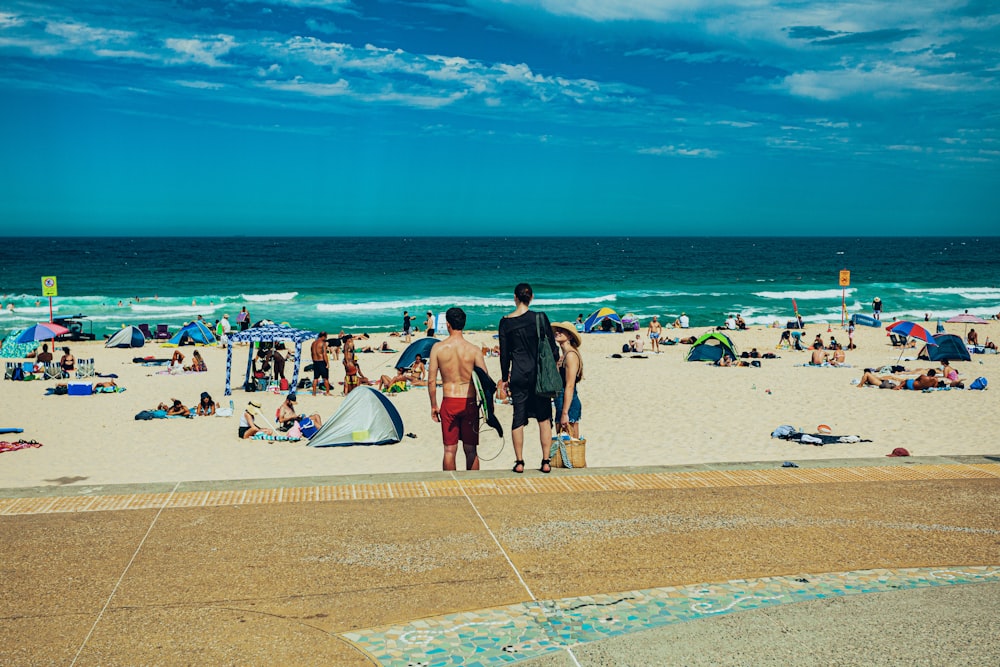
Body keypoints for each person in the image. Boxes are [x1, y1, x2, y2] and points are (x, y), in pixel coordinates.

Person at [498, 283, 558, 474]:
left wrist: (503, 377)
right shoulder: (540, 318)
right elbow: (552, 348)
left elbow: (504, 354)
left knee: (518, 417)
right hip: (539, 374)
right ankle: (546, 461)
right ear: (531, 297)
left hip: (518, 374)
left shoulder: (506, 322)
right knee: (543, 417)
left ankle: (519, 461)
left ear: (515, 297)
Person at [427, 307, 488, 471]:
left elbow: (431, 381)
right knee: (471, 450)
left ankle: (450, 486)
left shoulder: (438, 348)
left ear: (447, 324)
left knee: (449, 450)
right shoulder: (474, 350)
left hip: (449, 402)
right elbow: (485, 380)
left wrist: (434, 405)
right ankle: (473, 485)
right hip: (469, 402)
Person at [551, 322, 583, 440]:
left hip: (568, 404)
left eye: (561, 331)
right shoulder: (563, 355)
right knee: (564, 448)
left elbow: (569, 386)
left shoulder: (570, 355)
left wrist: (565, 413)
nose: (557, 332)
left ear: (569, 336)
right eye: (557, 330)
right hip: (562, 402)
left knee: (571, 446)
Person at [310, 331, 331, 396]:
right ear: (323, 336)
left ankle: (314, 393)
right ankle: (327, 392)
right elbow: (324, 354)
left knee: (315, 378)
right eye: (326, 337)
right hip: (322, 361)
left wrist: (313, 361)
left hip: (315, 361)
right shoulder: (323, 343)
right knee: (325, 378)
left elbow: (312, 353)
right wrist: (327, 363)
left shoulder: (313, 343)